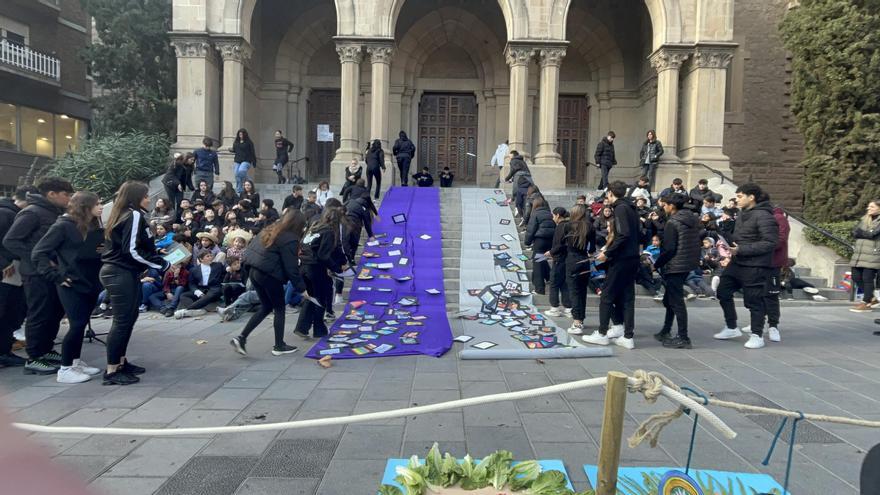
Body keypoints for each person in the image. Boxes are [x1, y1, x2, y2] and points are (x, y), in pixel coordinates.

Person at [101, 181, 170, 385]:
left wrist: (155, 254)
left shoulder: (126, 214)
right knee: (122, 321)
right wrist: (160, 264)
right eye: (146, 196)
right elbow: (130, 250)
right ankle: (112, 370)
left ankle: (121, 362)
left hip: (123, 272)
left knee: (128, 319)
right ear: (136, 197)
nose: (149, 199)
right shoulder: (134, 215)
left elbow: (136, 246)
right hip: (119, 272)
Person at [31, 191, 105, 383]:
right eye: (97, 204)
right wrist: (55, 275)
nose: (101, 207)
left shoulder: (93, 225)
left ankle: (74, 361)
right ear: (85, 206)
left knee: (81, 324)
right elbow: (39, 253)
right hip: (71, 283)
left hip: (90, 281)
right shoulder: (62, 225)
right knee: (77, 324)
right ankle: (65, 369)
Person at [3, 177, 73, 375]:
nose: (68, 198)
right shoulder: (32, 212)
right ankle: (34, 357)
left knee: (53, 312)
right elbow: (11, 241)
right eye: (65, 194)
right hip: (35, 273)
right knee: (39, 313)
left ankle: (46, 349)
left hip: (52, 272)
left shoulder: (54, 212)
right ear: (51, 194)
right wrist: (38, 259)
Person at [231, 209, 308, 356]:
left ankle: (241, 338)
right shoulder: (290, 238)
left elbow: (252, 250)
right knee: (279, 308)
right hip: (269, 275)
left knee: (266, 307)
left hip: (255, 272)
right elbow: (291, 267)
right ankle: (279, 346)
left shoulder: (270, 229)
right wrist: (301, 288)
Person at [713, 183, 779, 349]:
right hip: (738, 262)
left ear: (752, 197)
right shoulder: (742, 214)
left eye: (740, 196)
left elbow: (770, 243)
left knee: (753, 301)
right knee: (723, 291)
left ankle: (757, 335)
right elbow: (741, 237)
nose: (737, 199)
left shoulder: (765, 216)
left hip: (755, 265)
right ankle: (731, 327)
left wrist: (741, 249)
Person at [583, 181, 640, 349]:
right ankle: (626, 334)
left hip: (622, 259)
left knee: (606, 295)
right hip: (632, 257)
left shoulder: (621, 208)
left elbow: (623, 235)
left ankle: (601, 333)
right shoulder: (631, 208)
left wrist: (607, 253)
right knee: (628, 297)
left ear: (610, 194)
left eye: (607, 194)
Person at [652, 193, 700, 349]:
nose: (663, 207)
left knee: (676, 302)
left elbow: (669, 249)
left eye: (664, 205)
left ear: (672, 206)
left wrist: (656, 264)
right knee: (669, 300)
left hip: (675, 265)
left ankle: (683, 337)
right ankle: (666, 330)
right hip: (686, 264)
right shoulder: (691, 219)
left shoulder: (673, 223)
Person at [296, 208, 349, 339]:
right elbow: (324, 255)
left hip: (304, 266)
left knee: (312, 297)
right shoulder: (329, 231)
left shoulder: (315, 227)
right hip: (315, 268)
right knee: (322, 297)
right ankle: (318, 329)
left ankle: (302, 327)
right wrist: (337, 268)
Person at [0, 186, 35, 368]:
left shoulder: (11, 213)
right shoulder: (6, 214)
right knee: (6, 311)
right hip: (8, 270)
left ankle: (5, 349)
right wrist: (4, 262)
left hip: (13, 269)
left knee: (11, 311)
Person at [743, 206, 790, 341]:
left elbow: (780, 240)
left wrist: (759, 246)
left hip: (772, 262)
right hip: (758, 261)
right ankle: (758, 322)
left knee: (771, 295)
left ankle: (773, 326)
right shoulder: (760, 217)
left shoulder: (779, 218)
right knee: (757, 293)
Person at [562, 204, 596, 335]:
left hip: (572, 260)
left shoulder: (567, 226)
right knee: (582, 292)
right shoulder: (590, 227)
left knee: (574, 292)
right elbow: (592, 248)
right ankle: (580, 319)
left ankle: (576, 321)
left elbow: (563, 244)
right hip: (584, 260)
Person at [174, 251, 224, 318]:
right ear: (201, 259)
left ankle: (186, 311)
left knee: (209, 296)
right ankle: (198, 310)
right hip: (201, 289)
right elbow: (191, 284)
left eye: (211, 256)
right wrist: (196, 291)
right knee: (184, 295)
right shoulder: (194, 270)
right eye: (208, 256)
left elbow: (225, 272)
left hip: (214, 288)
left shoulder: (218, 265)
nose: (210, 258)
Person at [850, 199, 880, 312]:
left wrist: (862, 233)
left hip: (873, 254)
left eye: (872, 207)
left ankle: (866, 302)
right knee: (855, 277)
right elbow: (854, 232)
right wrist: (864, 234)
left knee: (867, 278)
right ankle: (872, 298)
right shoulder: (864, 219)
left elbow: (873, 234)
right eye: (868, 206)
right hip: (859, 253)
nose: (868, 209)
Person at [544, 207, 572, 318]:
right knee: (564, 284)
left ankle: (554, 308)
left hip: (559, 259)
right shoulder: (568, 225)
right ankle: (568, 308)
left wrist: (551, 252)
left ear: (558, 215)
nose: (553, 217)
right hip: (566, 259)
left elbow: (560, 244)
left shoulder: (561, 227)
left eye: (553, 215)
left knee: (554, 283)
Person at [525, 196, 555, 295]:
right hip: (550, 241)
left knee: (537, 263)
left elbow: (531, 229)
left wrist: (527, 242)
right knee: (541, 259)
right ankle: (550, 277)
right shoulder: (550, 214)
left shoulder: (536, 214)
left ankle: (539, 289)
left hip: (540, 241)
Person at [505, 151, 533, 217]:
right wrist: (512, 179)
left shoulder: (513, 160)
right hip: (528, 177)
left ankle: (519, 212)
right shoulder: (522, 161)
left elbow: (513, 170)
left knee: (518, 192)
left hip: (519, 176)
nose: (509, 156)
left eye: (510, 155)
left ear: (513, 155)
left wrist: (507, 178)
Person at [230, 128, 256, 193]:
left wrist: (254, 161)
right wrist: (231, 149)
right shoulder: (236, 142)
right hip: (238, 160)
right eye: (239, 134)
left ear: (245, 135)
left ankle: (240, 187)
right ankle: (248, 182)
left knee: (241, 171)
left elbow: (252, 152)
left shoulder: (249, 142)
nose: (240, 136)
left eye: (242, 134)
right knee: (237, 174)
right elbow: (235, 149)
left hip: (246, 160)